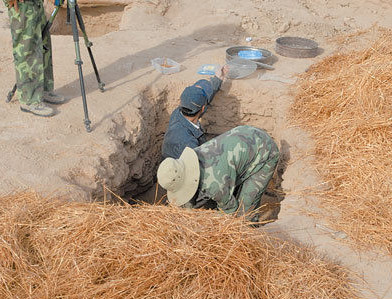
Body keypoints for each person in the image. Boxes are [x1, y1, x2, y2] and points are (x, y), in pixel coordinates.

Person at [157, 125, 280, 223]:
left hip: (263, 150)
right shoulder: (191, 160)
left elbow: (231, 211)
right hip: (243, 135)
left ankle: (252, 234)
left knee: (244, 212)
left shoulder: (214, 184)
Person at [4, 0, 66, 117]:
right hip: (22, 7)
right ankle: (29, 99)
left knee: (43, 45)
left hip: (36, 4)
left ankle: (43, 90)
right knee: (27, 50)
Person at [161, 65, 229, 159]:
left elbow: (201, 100)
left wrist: (218, 78)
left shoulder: (179, 112)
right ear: (203, 109)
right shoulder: (189, 144)